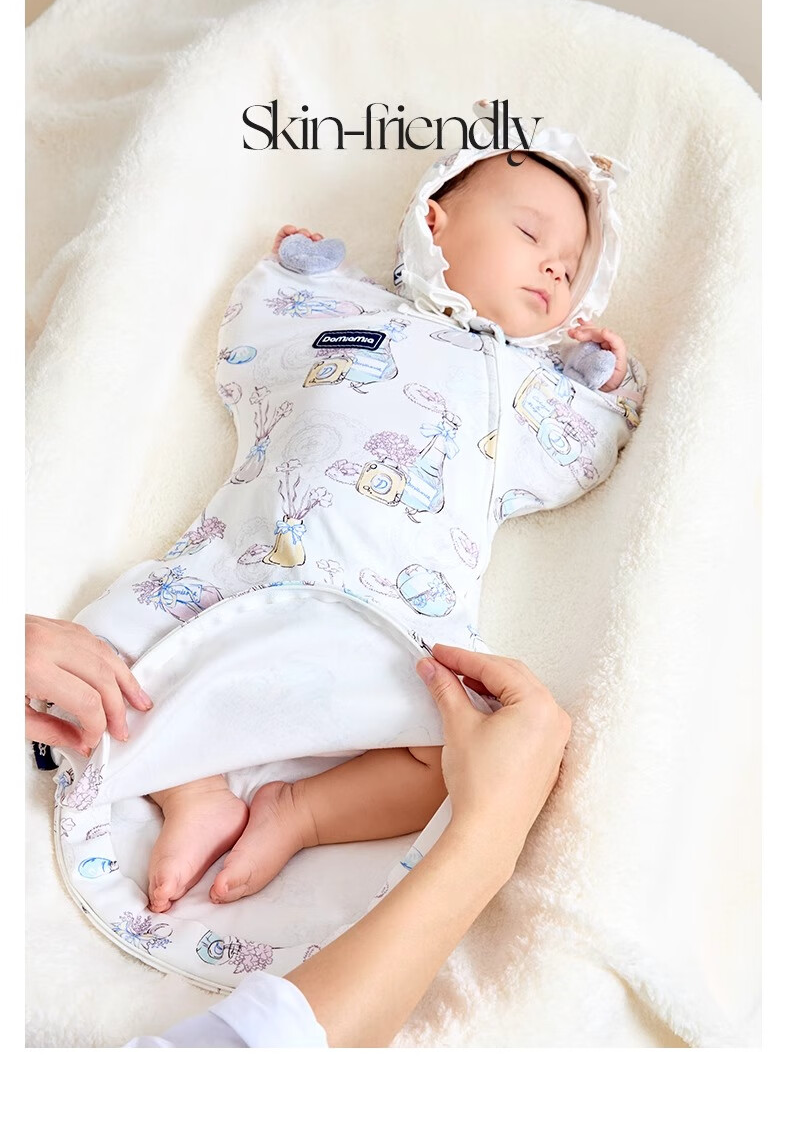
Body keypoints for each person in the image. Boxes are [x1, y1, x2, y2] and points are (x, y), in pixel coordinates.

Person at [53, 122, 646, 918]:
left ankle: (302, 811)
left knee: (467, 751)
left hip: (392, 617)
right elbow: (254, 346)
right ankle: (193, 792)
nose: (552, 266)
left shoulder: (520, 384)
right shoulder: (344, 309)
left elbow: (580, 453)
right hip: (242, 568)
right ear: (434, 224)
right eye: (531, 234)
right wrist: (295, 274)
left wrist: (599, 385)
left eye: (569, 268)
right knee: (103, 656)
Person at [26, 613, 570, 1048]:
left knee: (450, 750)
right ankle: (195, 788)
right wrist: (491, 836)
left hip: (360, 648)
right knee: (114, 675)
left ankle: (294, 808)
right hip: (232, 619)